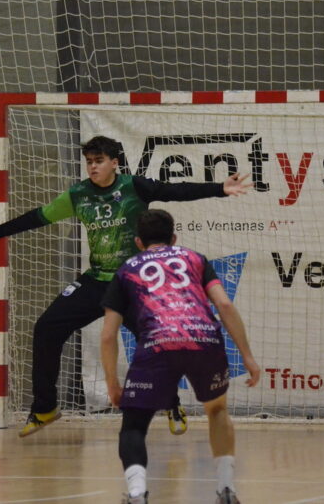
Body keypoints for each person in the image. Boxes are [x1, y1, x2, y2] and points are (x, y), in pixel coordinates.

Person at [0, 135, 252, 437]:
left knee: (157, 341)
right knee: (46, 329)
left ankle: (172, 404)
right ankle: (45, 407)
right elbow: (40, 216)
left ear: (114, 163)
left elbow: (176, 190)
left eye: (98, 161)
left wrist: (220, 189)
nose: (92, 167)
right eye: (89, 162)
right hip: (97, 281)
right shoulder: (78, 195)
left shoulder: (134, 187)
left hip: (134, 284)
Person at [100, 209, 260, 504]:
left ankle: (137, 495)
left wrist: (112, 381)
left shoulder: (127, 269)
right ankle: (226, 490)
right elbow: (224, 305)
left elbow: (109, 334)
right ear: (174, 239)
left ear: (138, 241)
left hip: (158, 344)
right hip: (203, 339)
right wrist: (247, 356)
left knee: (134, 424)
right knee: (217, 411)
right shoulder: (195, 259)